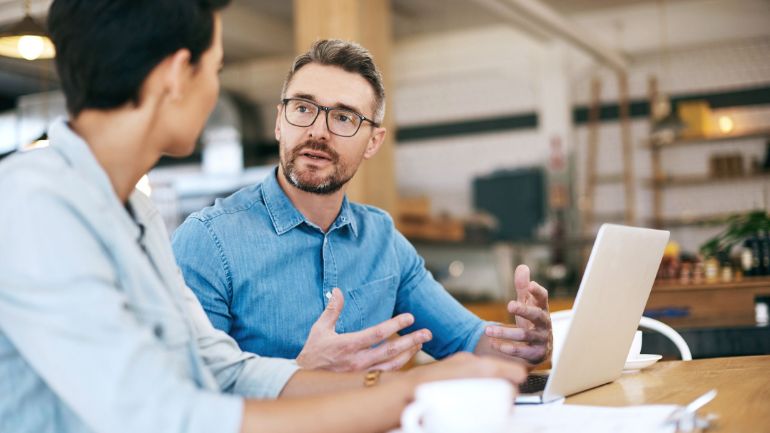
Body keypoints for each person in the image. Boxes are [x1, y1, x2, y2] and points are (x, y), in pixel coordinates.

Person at [0, 2, 527, 433]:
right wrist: (412, 392)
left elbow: (222, 370)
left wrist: (392, 385)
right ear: (175, 77)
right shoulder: (30, 203)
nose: (214, 91)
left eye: (344, 117)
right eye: (216, 69)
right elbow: (161, 415)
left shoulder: (133, 209)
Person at [172, 39, 553, 373]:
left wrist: (525, 347)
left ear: (373, 142)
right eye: (303, 108)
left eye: (343, 117)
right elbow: (186, 397)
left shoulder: (382, 240)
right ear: (278, 122)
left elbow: (470, 342)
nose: (318, 131)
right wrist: (300, 372)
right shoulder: (207, 241)